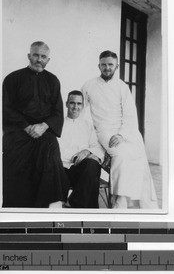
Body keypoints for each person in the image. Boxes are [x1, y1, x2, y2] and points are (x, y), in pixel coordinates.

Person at [81, 50, 158, 209]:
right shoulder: (88, 85)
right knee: (122, 154)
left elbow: (130, 114)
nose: (107, 68)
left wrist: (122, 134)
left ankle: (137, 203)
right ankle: (119, 201)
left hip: (124, 130)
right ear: (99, 65)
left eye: (110, 65)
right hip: (104, 130)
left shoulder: (122, 87)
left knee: (138, 153)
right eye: (104, 65)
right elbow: (80, 109)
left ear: (116, 66)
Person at [2, 41, 69, 208]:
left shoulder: (53, 81)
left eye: (43, 56)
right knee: (16, 171)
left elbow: (58, 112)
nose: (39, 59)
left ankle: (46, 211)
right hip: (18, 132)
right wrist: (26, 126)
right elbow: (6, 108)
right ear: (29, 56)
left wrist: (44, 126)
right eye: (36, 55)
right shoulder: (12, 78)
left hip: (44, 132)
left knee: (51, 156)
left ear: (48, 60)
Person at [58, 90, 104, 208]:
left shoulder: (87, 125)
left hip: (80, 171)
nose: (75, 107)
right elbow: (55, 150)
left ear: (83, 106)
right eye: (72, 103)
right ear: (66, 104)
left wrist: (86, 151)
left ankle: (72, 202)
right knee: (92, 182)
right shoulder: (58, 124)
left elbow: (96, 147)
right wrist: (73, 156)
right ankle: (87, 214)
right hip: (61, 170)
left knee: (93, 165)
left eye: (79, 104)